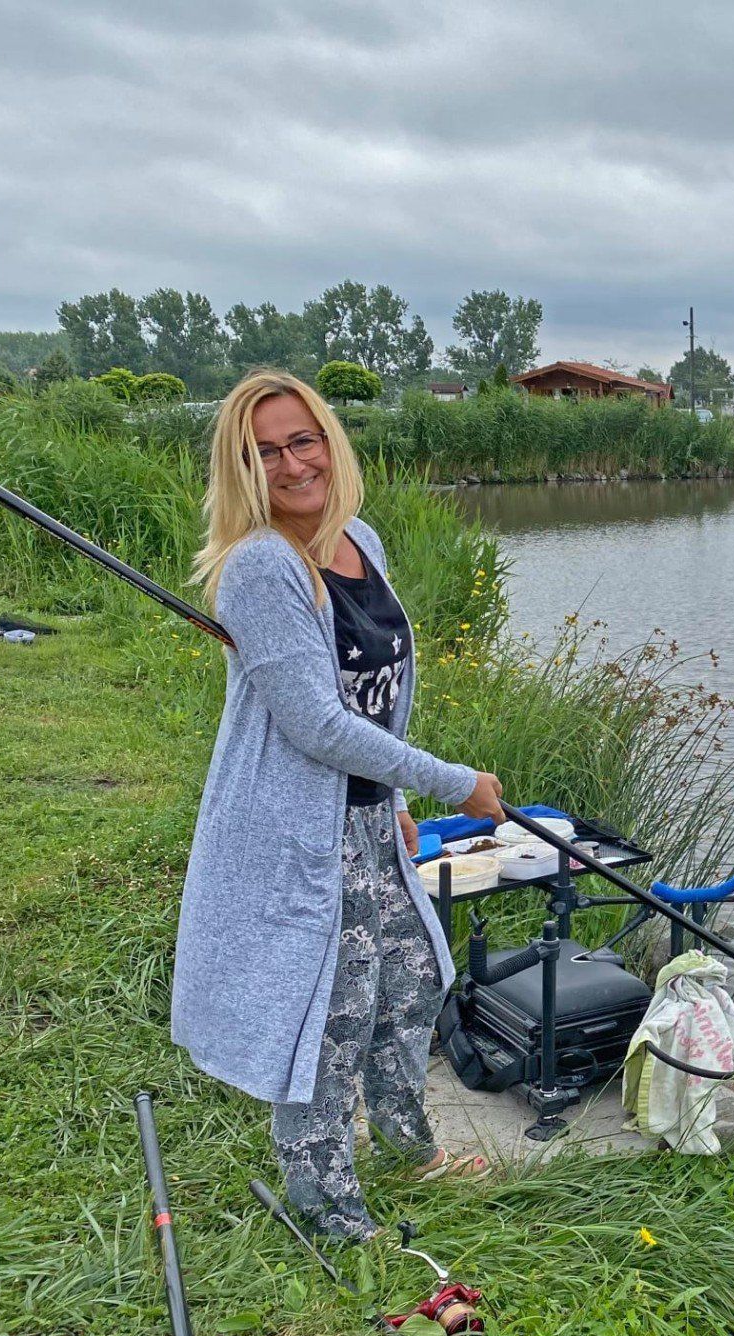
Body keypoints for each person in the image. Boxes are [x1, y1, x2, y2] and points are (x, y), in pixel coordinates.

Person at [172, 370, 507, 1241]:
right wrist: (452, 781)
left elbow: (376, 697)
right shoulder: (259, 569)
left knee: (413, 978)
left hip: (368, 819)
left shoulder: (360, 539)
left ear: (329, 441)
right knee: (328, 1013)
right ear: (242, 468)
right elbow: (318, 725)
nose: (290, 463)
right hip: (297, 827)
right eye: (266, 451)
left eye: (302, 440)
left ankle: (409, 1148)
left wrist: (392, 792)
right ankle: (327, 1210)